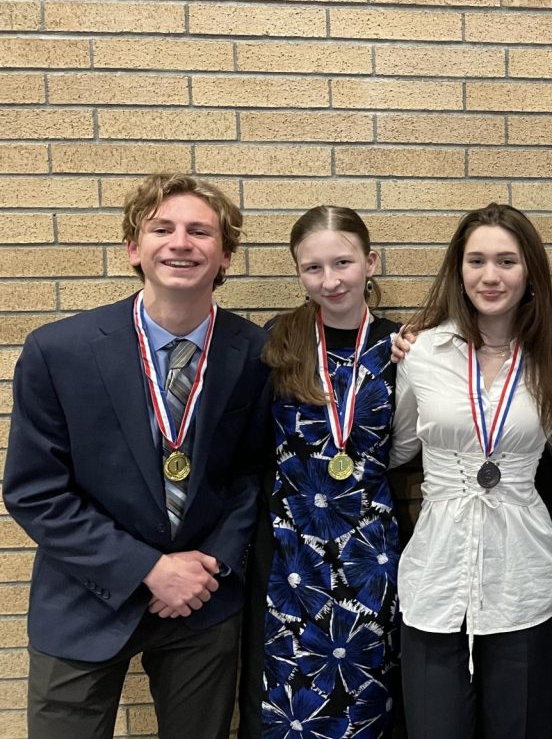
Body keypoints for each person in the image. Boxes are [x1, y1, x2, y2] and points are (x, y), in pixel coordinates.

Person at [3, 173, 272, 739]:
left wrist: (210, 566)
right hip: (84, 598)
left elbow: (253, 474)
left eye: (201, 231)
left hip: (204, 601)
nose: (181, 242)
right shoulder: (60, 351)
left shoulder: (255, 353)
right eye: (162, 229)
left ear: (224, 254)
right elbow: (35, 490)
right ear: (134, 247)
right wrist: (148, 570)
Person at [389, 202, 552, 739]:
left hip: (525, 580)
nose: (490, 276)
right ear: (458, 269)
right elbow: (399, 447)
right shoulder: (422, 352)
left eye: (507, 261)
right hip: (437, 577)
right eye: (476, 261)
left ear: (530, 272)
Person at [238, 207, 404, 738]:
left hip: (369, 554)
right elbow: (251, 447)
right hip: (290, 554)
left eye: (343, 263)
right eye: (313, 269)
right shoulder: (276, 342)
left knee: (364, 697)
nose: (330, 281)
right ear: (297, 272)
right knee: (288, 703)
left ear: (370, 262)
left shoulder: (402, 347)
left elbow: (412, 445)